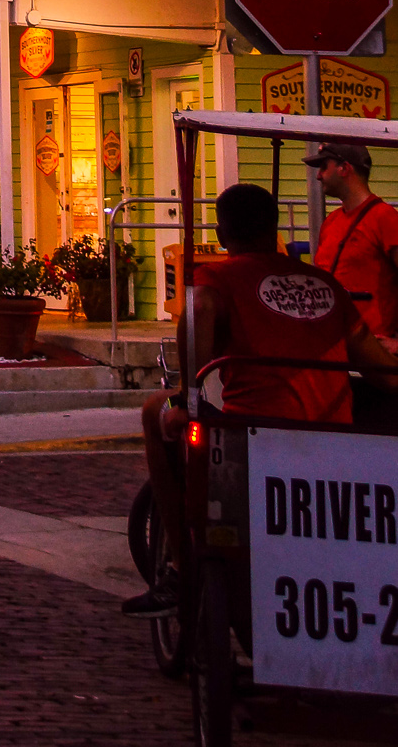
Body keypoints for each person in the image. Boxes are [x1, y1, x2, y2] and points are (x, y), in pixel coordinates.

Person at [122, 181, 398, 617]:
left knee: (156, 409)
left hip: (252, 442)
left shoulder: (219, 277)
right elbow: (382, 371)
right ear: (275, 230)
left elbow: (199, 313)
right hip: (332, 442)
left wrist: (185, 395)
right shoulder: (324, 283)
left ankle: (179, 570)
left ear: (222, 233)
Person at [308, 139, 398, 352]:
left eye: (324, 167)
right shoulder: (331, 222)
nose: (318, 175)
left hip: (372, 351)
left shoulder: (384, 218)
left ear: (344, 168)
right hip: (334, 346)